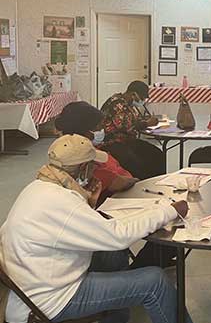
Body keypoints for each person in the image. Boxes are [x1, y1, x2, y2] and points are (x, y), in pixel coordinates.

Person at [1, 134, 192, 323]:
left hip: (31, 284)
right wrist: (169, 211)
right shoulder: (63, 202)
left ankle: (116, 318)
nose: (96, 170)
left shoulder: (38, 187)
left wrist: (88, 202)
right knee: (155, 281)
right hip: (50, 300)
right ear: (84, 168)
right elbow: (118, 235)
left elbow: (72, 228)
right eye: (94, 166)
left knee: (113, 255)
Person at [55, 101, 176, 270]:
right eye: (97, 128)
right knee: (168, 218)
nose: (100, 131)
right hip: (109, 218)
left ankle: (149, 264)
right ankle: (142, 269)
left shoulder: (64, 153)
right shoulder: (87, 163)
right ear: (87, 132)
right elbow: (121, 180)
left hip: (110, 210)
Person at [99, 81, 165, 180]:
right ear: (133, 94)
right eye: (142, 98)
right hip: (113, 142)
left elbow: (132, 119)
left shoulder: (127, 103)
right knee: (134, 162)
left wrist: (145, 121)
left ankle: (156, 181)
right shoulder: (117, 104)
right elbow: (125, 126)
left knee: (156, 154)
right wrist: (147, 123)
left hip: (126, 140)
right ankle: (140, 184)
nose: (142, 101)